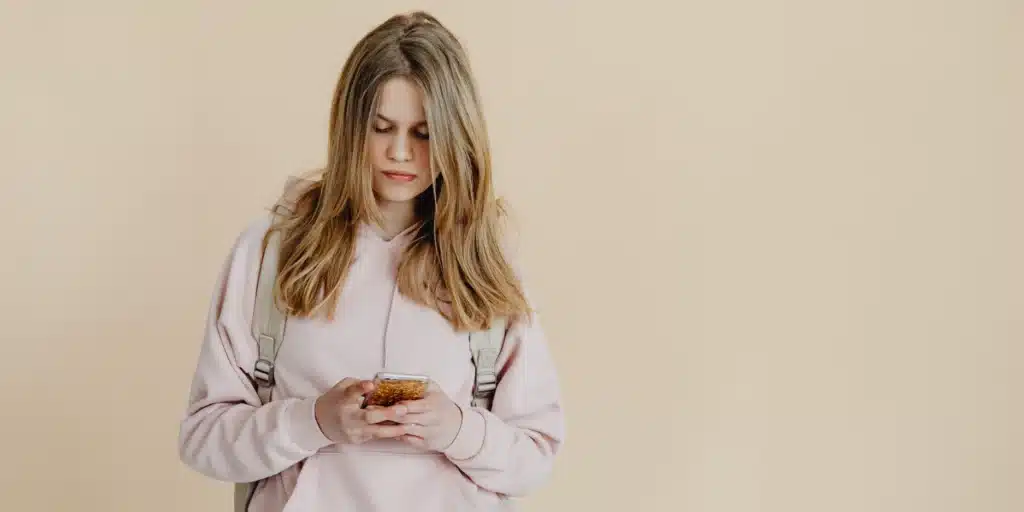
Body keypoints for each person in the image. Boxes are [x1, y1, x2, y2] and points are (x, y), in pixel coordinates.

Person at [176, 10, 566, 512]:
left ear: (456, 135)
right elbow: (202, 438)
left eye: (424, 134)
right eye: (381, 128)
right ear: (348, 126)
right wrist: (314, 421)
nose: (400, 153)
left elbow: (535, 457)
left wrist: (458, 430)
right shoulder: (270, 253)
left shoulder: (487, 263)